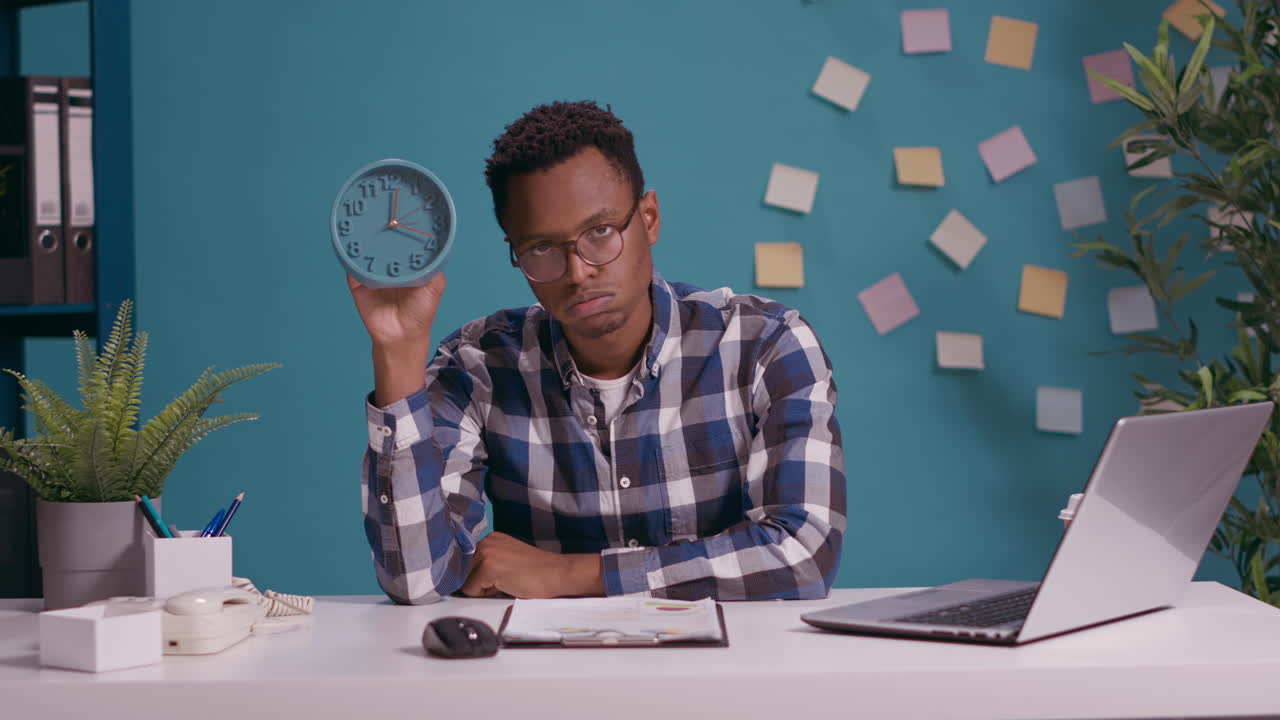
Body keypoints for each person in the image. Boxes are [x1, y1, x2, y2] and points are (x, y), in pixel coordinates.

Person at [349, 100, 846, 604]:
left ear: (648, 218)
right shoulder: (478, 367)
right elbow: (415, 581)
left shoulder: (765, 345)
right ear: (515, 253)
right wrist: (398, 349)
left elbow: (803, 554)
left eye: (600, 232)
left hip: (723, 676)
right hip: (545, 680)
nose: (578, 270)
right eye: (541, 248)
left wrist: (574, 575)